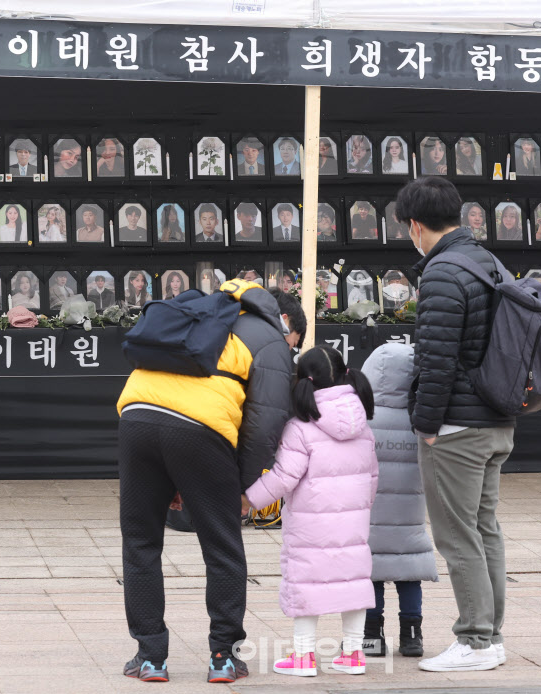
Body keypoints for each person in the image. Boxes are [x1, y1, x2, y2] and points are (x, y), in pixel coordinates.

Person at [116, 281, 306, 683]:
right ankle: (223, 655)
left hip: (136, 417)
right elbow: (265, 425)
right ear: (285, 321)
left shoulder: (196, 310)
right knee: (223, 546)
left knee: (140, 542)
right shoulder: (270, 339)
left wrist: (177, 477)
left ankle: (150, 656)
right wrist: (240, 486)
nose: (291, 350)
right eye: (295, 342)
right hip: (201, 429)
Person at [396, 176, 515, 672]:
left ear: (416, 225)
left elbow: (437, 360)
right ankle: (491, 635)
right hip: (495, 420)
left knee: (457, 535)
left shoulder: (443, 272)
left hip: (457, 429)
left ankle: (475, 641)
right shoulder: (487, 261)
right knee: (484, 529)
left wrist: (426, 424)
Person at [245, 344, 378, 678]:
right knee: (352, 583)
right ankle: (353, 654)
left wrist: (248, 500)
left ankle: (303, 657)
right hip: (354, 523)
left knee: (307, 584)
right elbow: (373, 478)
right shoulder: (363, 426)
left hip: (310, 526)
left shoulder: (300, 428)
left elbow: (283, 478)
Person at [360, 343, 437, 659]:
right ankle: (412, 635)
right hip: (410, 513)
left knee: (372, 569)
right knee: (409, 569)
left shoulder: (363, 419)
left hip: (370, 513)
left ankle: (371, 634)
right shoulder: (419, 418)